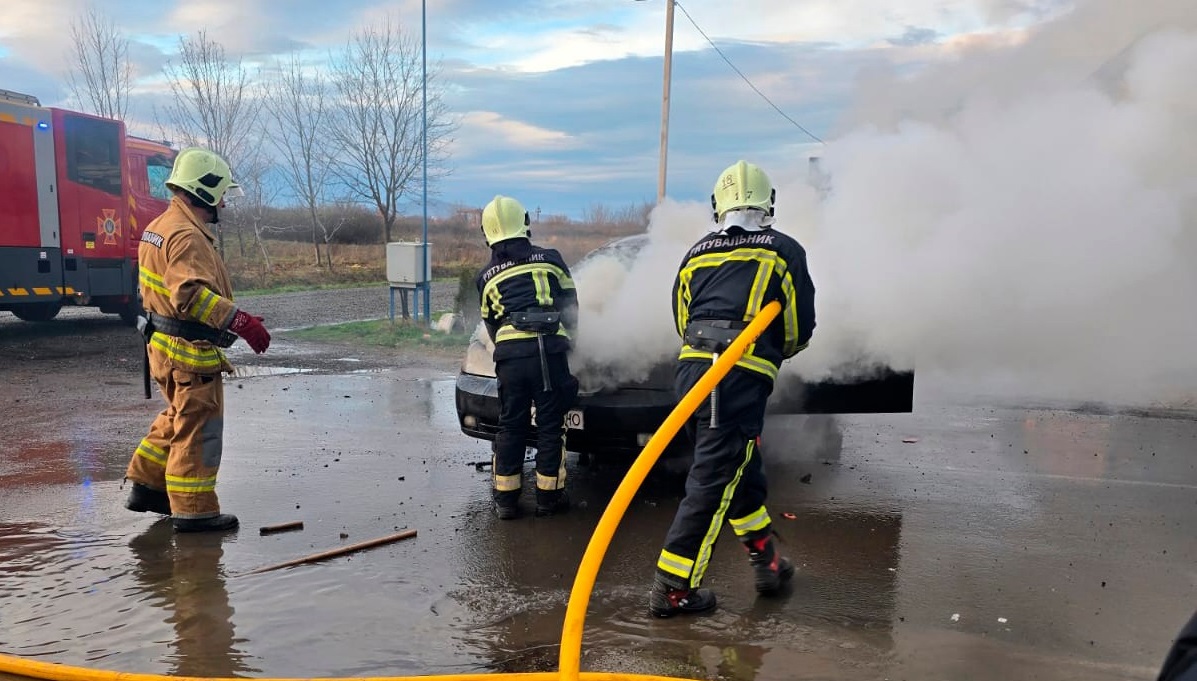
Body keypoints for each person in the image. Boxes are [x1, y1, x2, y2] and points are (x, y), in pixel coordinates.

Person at [649, 160, 816, 617]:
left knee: (738, 472)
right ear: (769, 203)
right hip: (735, 379)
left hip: (693, 377)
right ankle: (673, 588)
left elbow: (682, 318)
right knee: (713, 479)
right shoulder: (784, 250)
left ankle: (769, 562)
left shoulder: (697, 252)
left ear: (716, 206)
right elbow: (800, 327)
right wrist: (769, 355)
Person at [123, 147, 271, 533]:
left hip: (163, 347)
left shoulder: (161, 226)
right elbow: (189, 295)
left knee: (178, 416)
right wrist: (240, 322)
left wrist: (231, 317)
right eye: (221, 192)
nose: (223, 201)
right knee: (199, 426)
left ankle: (148, 485)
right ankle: (195, 511)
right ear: (204, 191)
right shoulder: (188, 236)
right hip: (188, 353)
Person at [476, 194, 580, 520]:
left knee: (511, 425)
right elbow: (571, 305)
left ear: (488, 232)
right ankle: (548, 500)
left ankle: (506, 501)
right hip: (548, 353)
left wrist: (507, 348)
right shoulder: (550, 258)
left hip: (510, 357)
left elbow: (491, 322)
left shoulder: (487, 275)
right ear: (525, 224)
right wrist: (572, 342)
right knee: (550, 426)